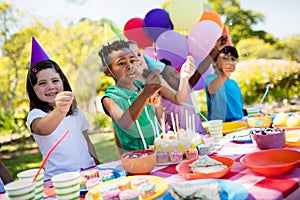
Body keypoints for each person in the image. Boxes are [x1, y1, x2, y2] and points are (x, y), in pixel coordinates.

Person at [26, 37, 99, 181]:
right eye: (42, 83)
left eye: (55, 81)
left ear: (63, 82)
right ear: (33, 89)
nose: (50, 87)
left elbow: (87, 141)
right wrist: (60, 110)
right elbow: (43, 129)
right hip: (60, 180)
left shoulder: (75, 111)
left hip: (89, 172)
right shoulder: (36, 115)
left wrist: (97, 164)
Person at [142, 35, 227, 133]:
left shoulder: (186, 86)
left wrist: (216, 49)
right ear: (164, 82)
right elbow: (165, 125)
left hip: (202, 135)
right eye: (170, 76)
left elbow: (201, 68)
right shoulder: (162, 102)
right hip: (185, 142)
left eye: (175, 73)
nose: (176, 77)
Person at [98, 40, 163, 153]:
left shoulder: (143, 87)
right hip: (136, 158)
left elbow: (160, 118)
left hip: (160, 151)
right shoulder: (110, 98)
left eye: (132, 61)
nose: (130, 66)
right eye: (122, 63)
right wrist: (144, 95)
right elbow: (124, 123)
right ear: (108, 71)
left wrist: (157, 106)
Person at [205, 45, 245, 122]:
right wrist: (225, 74)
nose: (229, 62)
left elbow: (238, 107)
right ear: (214, 61)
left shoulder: (234, 83)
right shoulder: (210, 79)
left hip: (239, 123)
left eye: (233, 59)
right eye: (225, 58)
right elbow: (212, 89)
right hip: (220, 126)